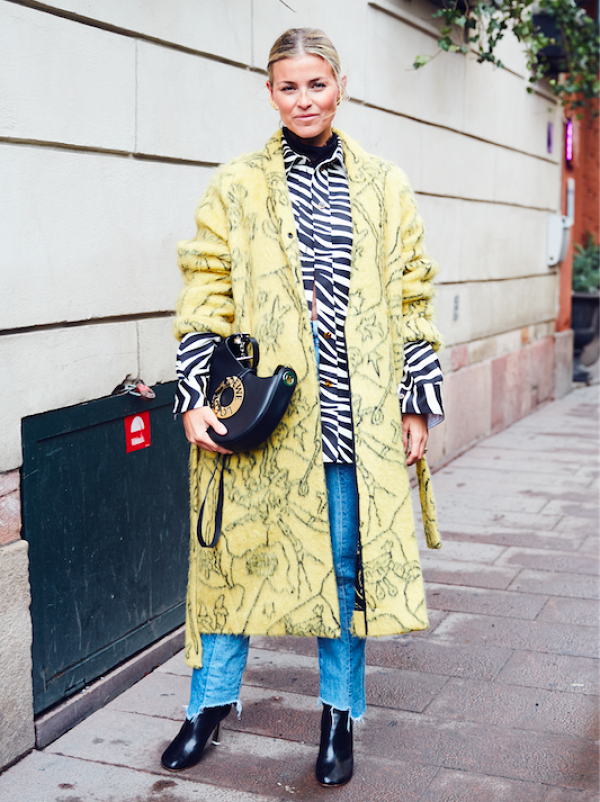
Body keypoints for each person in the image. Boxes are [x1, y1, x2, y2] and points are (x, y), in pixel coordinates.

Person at [161, 27, 444, 787]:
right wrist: (194, 394)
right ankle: (208, 707)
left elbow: (414, 294)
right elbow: (206, 285)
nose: (305, 99)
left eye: (316, 84)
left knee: (343, 571)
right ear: (271, 92)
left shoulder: (384, 183)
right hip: (263, 418)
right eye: (289, 86)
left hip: (355, 417)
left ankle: (338, 716)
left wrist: (416, 402)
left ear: (339, 86)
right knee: (231, 564)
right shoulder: (238, 183)